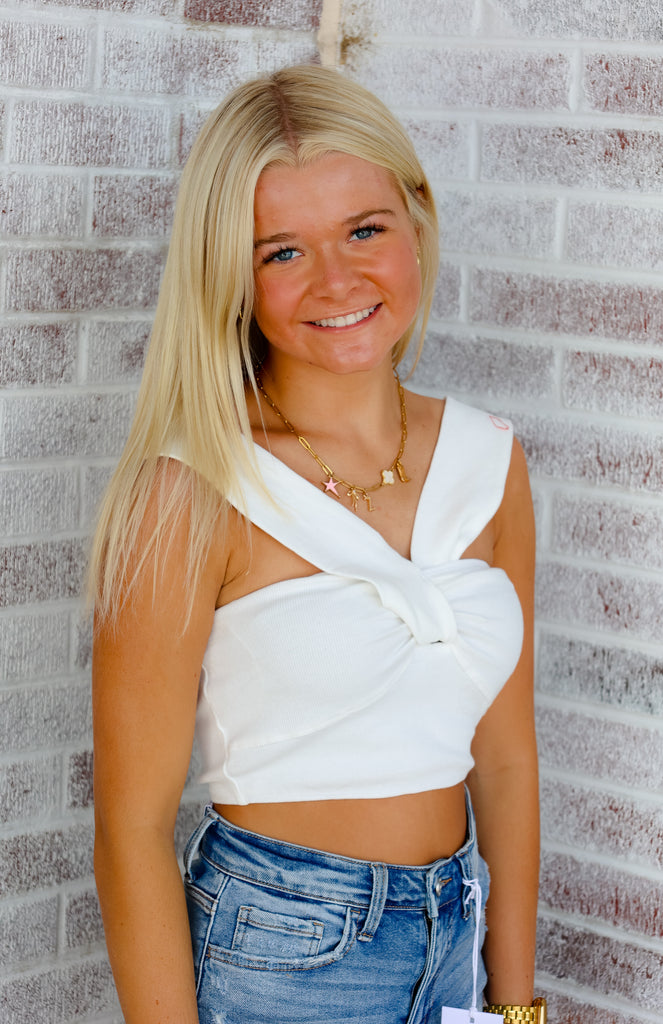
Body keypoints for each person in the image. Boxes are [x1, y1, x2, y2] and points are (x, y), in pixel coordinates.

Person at [89, 64, 542, 1024]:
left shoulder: (488, 458)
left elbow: (504, 762)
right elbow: (130, 831)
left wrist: (515, 1007)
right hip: (284, 950)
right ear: (231, 273)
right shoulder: (193, 489)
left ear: (416, 219)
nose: (336, 281)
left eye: (363, 230)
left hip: (455, 935)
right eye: (282, 251)